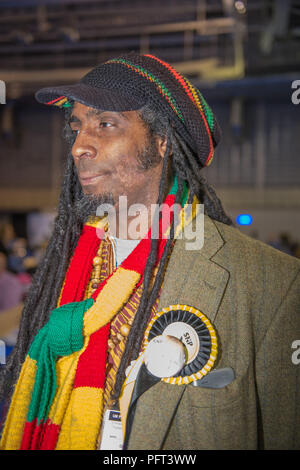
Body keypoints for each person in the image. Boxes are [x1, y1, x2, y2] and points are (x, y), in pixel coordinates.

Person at [0, 52, 299, 451]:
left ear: (162, 143)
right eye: (78, 127)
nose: (78, 147)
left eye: (105, 124)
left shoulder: (272, 284)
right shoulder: (62, 271)